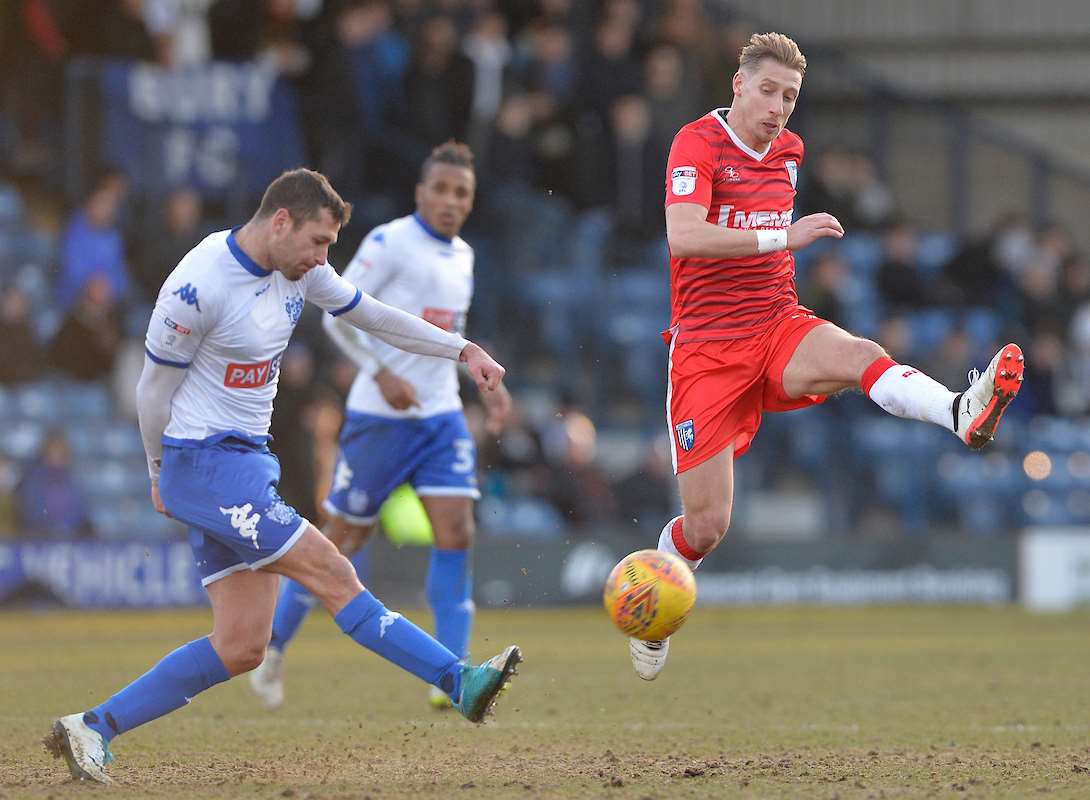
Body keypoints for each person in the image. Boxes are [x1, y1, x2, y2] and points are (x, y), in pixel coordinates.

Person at [45, 168, 521, 784]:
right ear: (279, 221)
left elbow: (373, 316)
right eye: (318, 242)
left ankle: (91, 727)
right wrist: (159, 471)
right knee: (333, 571)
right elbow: (152, 389)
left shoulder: (302, 270)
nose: (323, 259)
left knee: (243, 643)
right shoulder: (197, 286)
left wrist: (463, 350)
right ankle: (458, 680)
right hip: (205, 463)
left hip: (243, 463)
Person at [631, 32, 1025, 681]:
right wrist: (780, 236)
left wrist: (780, 252)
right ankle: (656, 605)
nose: (779, 107)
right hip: (705, 350)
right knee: (707, 526)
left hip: (776, 323)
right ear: (737, 85)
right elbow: (684, 235)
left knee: (860, 354)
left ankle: (960, 409)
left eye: (790, 96)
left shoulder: (790, 150)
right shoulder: (696, 142)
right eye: (767, 91)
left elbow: (763, 257)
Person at [248, 141, 513, 712]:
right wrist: (379, 369)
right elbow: (339, 314)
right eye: (440, 189)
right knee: (342, 539)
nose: (449, 200)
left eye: (460, 192)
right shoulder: (390, 242)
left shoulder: (463, 256)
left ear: (470, 201)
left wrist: (487, 389)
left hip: (439, 415)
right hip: (379, 416)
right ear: (421, 192)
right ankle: (272, 648)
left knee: (456, 531)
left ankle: (454, 673)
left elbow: (449, 335)